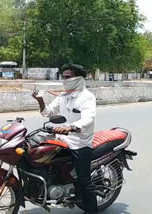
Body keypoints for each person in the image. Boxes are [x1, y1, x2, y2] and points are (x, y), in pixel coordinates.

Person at [32, 63, 98, 214]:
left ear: (79, 78)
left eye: (68, 77)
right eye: (64, 77)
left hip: (79, 143)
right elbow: (48, 113)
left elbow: (88, 119)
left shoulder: (87, 97)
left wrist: (71, 127)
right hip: (61, 140)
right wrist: (40, 100)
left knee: (84, 180)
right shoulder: (63, 96)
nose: (65, 79)